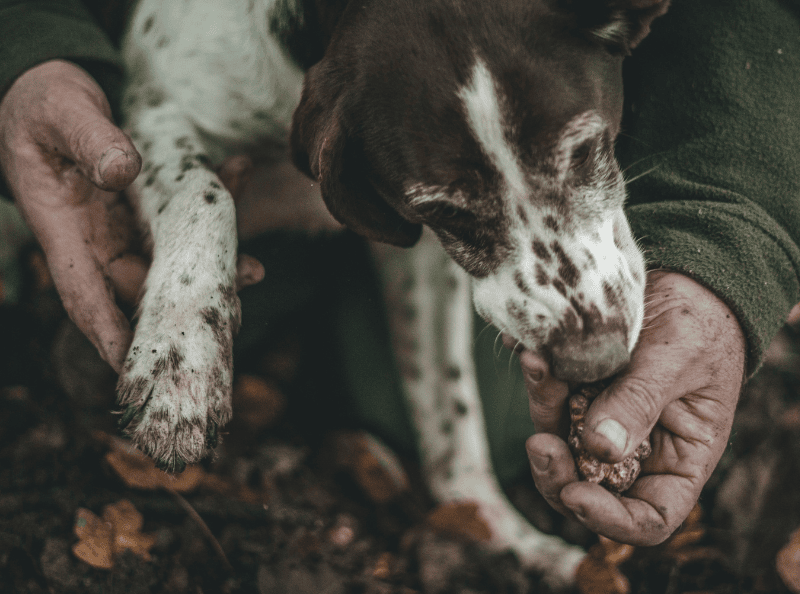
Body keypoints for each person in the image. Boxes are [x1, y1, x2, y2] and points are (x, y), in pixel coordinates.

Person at [0, 0, 797, 547]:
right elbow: (161, 110)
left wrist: (729, 241)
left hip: (366, 179)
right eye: (453, 210)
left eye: (583, 155)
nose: (589, 320)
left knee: (524, 425)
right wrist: (26, 51)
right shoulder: (230, 40)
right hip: (278, 150)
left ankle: (457, 478)